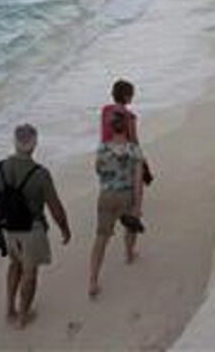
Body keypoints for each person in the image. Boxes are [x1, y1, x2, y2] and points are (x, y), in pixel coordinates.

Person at [0, 123, 71, 329]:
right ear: (34, 144)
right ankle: (23, 317)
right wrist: (65, 229)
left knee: (13, 265)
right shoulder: (40, 173)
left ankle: (9, 308)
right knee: (30, 273)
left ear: (14, 142)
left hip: (9, 228)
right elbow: (55, 207)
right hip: (32, 229)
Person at [88, 109, 145, 298]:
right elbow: (138, 181)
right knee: (131, 227)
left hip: (106, 195)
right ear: (127, 128)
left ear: (111, 128)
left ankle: (93, 280)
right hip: (126, 194)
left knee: (101, 238)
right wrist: (138, 205)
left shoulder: (102, 149)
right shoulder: (134, 150)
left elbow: (98, 169)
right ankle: (129, 253)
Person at [100, 79, 153, 184]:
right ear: (127, 97)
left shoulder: (105, 110)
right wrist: (144, 163)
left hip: (103, 152)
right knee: (138, 175)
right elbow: (134, 141)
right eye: (132, 95)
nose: (132, 97)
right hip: (120, 154)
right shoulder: (130, 116)